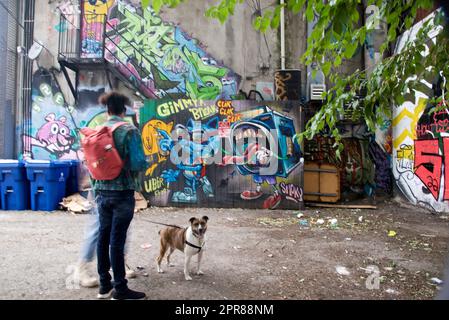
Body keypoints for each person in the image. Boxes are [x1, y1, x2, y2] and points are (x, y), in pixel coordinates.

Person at [92, 91, 147, 300]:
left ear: (108, 110)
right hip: (122, 193)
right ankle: (120, 289)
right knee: (116, 240)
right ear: (124, 110)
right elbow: (138, 163)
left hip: (102, 193)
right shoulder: (128, 131)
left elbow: (91, 163)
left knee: (103, 237)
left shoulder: (98, 130)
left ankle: (104, 285)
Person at [75, 163, 137, 288]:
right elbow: (138, 162)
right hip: (109, 179)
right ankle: (82, 268)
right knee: (99, 225)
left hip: (104, 177)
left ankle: (115, 266)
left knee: (116, 225)